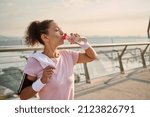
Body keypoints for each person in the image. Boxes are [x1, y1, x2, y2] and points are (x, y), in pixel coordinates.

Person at [19, 20, 97, 100]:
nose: (62, 32)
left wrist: (83, 43)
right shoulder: (35, 61)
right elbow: (23, 95)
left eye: (60, 29)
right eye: (56, 30)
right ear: (45, 37)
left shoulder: (68, 55)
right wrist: (42, 81)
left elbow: (91, 57)